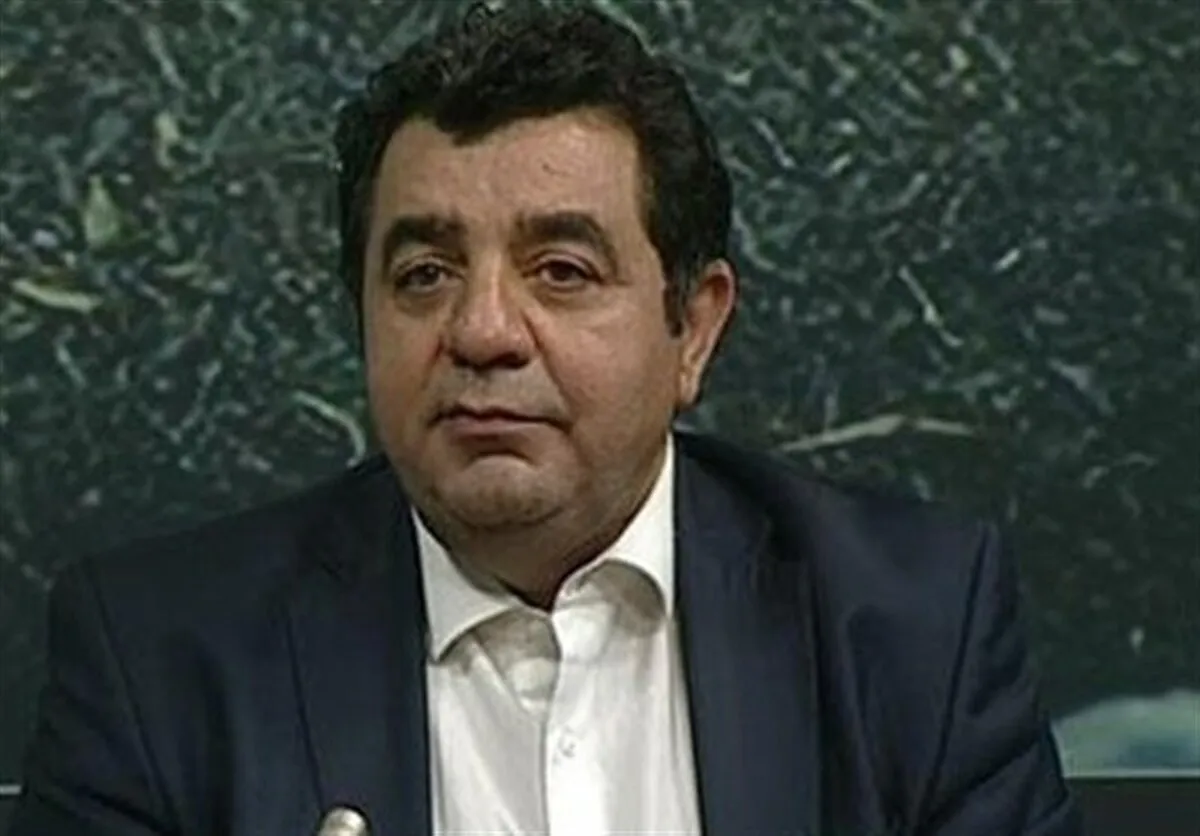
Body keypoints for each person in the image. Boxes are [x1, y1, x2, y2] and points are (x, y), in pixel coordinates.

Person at [9, 2, 1082, 834]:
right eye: (424, 274)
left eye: (561, 270)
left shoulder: (911, 629)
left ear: (693, 328)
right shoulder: (160, 662)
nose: (482, 330)